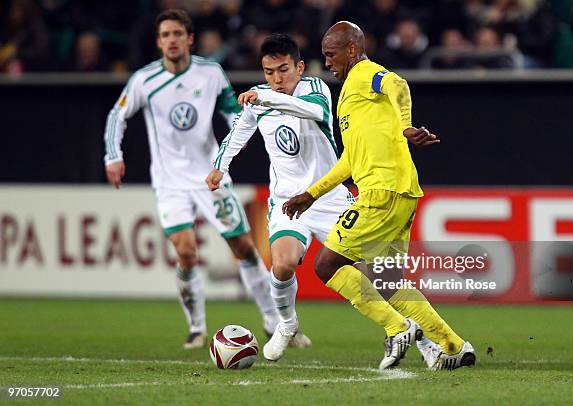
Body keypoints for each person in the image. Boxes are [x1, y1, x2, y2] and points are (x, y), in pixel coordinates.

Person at [103, 9, 309, 350]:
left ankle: (274, 323)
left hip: (209, 177)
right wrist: (114, 157)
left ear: (189, 38)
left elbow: (232, 111)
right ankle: (197, 327)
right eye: (165, 35)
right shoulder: (144, 80)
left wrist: (243, 141)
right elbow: (117, 116)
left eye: (177, 34)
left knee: (243, 247)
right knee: (185, 251)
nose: (171, 40)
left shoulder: (210, 73)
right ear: (158, 42)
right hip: (169, 182)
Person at [283, 21, 476, 370]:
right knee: (387, 282)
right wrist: (311, 195)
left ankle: (397, 327)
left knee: (327, 265)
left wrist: (405, 123)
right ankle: (453, 345)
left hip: (381, 192)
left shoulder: (365, 73)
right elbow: (350, 161)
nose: (327, 63)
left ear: (352, 50)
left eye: (331, 55)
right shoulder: (350, 98)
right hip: (401, 192)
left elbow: (396, 83)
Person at [206, 33, 349, 361]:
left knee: (373, 268)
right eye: (269, 72)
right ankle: (287, 323)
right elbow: (237, 134)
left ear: (299, 67)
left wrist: (264, 98)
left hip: (329, 197)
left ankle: (412, 331)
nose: (276, 79)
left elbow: (310, 112)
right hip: (287, 199)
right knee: (282, 264)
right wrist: (219, 167)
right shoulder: (260, 100)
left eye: (283, 70)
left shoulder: (315, 90)